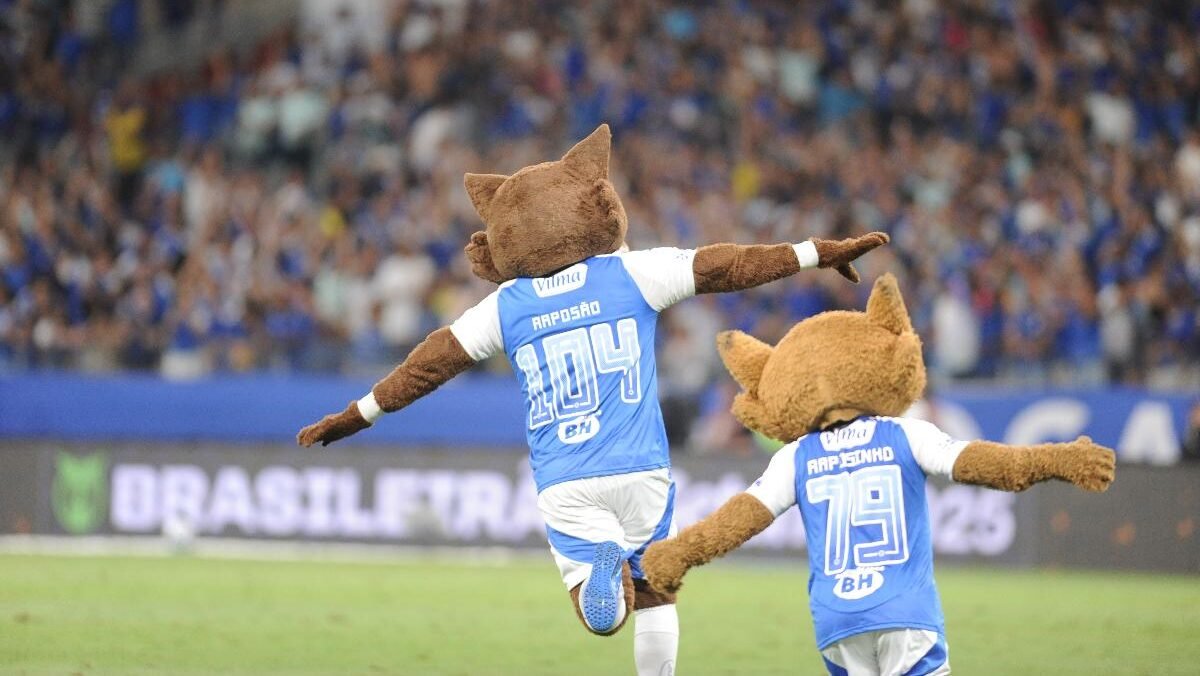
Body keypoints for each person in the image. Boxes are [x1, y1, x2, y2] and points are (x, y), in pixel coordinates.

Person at [296, 125, 888, 675]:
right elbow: (726, 265)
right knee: (657, 590)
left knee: (598, 609)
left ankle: (600, 574)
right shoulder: (632, 274)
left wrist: (357, 415)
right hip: (642, 470)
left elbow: (428, 366)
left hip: (566, 479)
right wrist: (816, 252)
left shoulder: (506, 307)